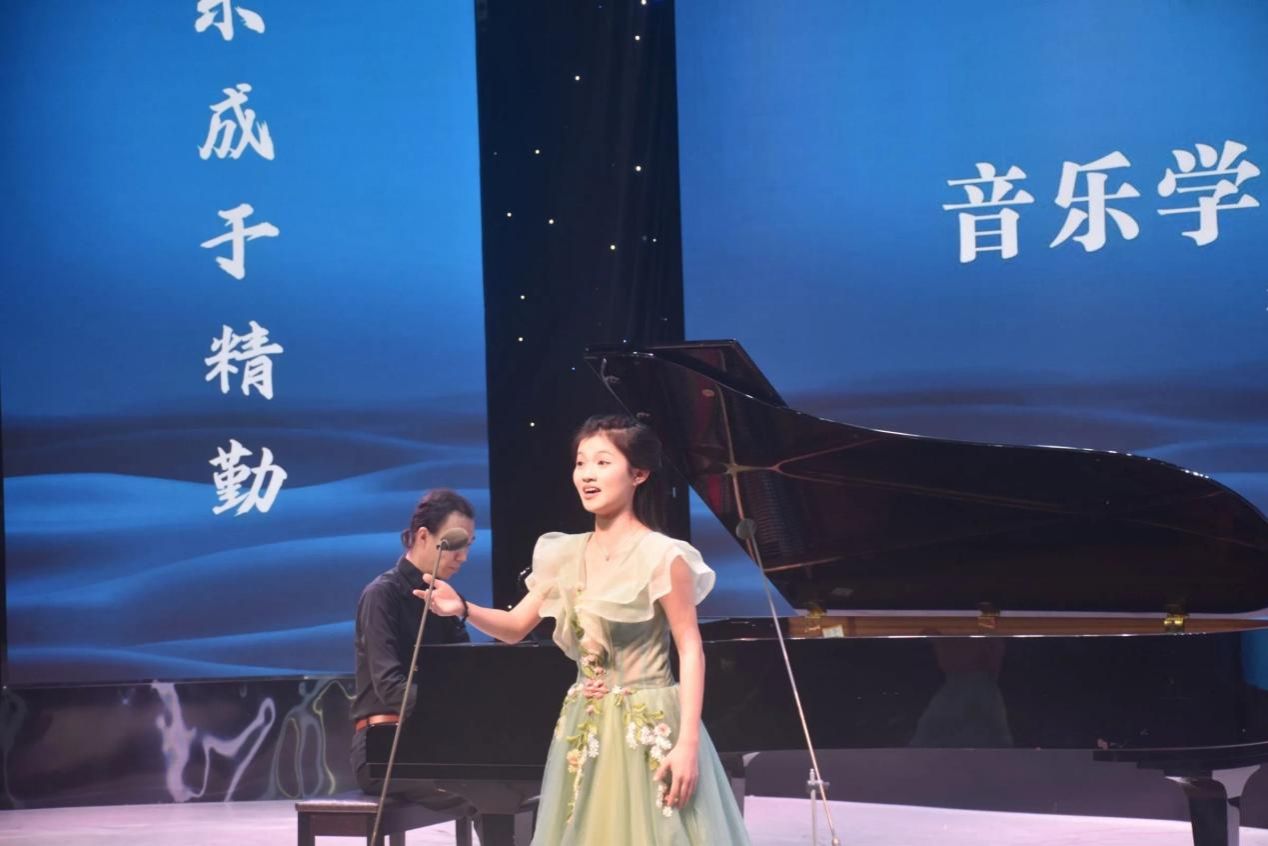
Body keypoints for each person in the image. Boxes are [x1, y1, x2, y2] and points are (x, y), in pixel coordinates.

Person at [419, 415, 752, 844]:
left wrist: (687, 743)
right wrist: (463, 607)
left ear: (638, 474)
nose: (587, 475)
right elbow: (515, 627)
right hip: (586, 725)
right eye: (581, 463)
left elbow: (690, 649)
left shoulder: (663, 556)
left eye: (602, 462)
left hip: (650, 723)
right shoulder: (565, 554)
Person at [350, 488, 475, 808]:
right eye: (455, 544)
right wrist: (450, 712)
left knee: (512, 781)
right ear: (422, 536)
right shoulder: (382, 594)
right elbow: (390, 685)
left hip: (433, 741)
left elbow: (465, 673)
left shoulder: (444, 598)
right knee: (480, 787)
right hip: (383, 748)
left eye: (468, 546)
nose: (463, 557)